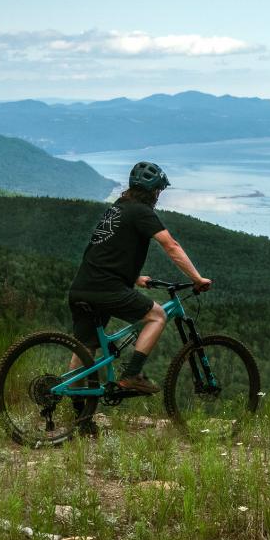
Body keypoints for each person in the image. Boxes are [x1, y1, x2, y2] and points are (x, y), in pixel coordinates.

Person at [68, 161, 212, 394]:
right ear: (153, 191)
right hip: (106, 289)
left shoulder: (119, 207)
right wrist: (197, 278)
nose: (158, 196)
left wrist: (134, 277)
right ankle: (132, 374)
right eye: (158, 191)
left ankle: (80, 416)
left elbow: (107, 250)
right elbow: (171, 246)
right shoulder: (142, 212)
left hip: (82, 287)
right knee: (157, 315)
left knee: (85, 351)